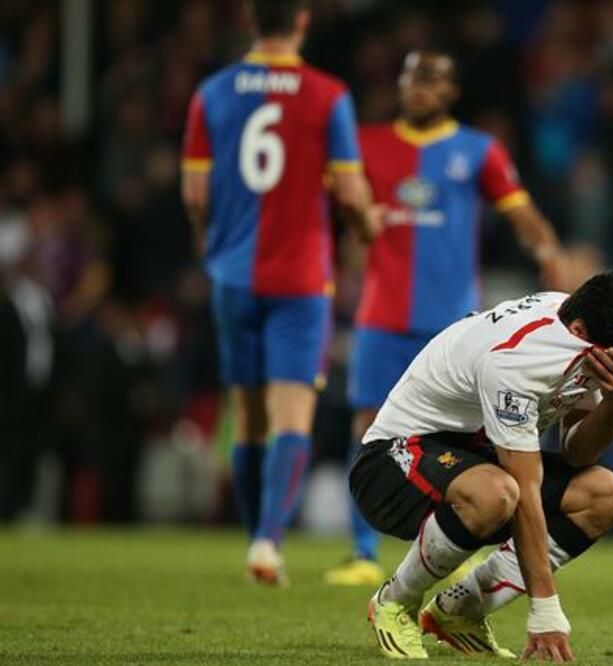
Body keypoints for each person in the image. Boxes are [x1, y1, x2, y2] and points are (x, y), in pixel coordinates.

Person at [325, 49, 567, 586]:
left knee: (469, 434)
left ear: (452, 91)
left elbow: (522, 216)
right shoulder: (367, 143)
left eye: (431, 80)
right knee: (368, 426)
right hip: (381, 313)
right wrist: (355, 232)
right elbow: (342, 212)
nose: (419, 88)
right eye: (411, 78)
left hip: (454, 325)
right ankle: (362, 551)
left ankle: (468, 536)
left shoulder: (478, 151)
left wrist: (549, 258)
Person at [349, 271, 613, 661]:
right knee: (498, 492)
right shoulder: (518, 360)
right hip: (389, 467)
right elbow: (524, 487)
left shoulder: (576, 324)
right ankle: (395, 600)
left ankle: (460, 610)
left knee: (605, 495)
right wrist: (545, 611)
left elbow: (578, 454)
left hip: (478, 460)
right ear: (580, 331)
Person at [180, 0, 378, 585]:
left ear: (249, 20)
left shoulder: (211, 93)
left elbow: (194, 194)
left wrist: (213, 240)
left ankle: (255, 539)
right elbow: (349, 191)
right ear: (302, 21)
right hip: (300, 279)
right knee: (293, 413)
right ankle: (268, 540)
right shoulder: (327, 95)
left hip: (233, 275)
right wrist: (367, 225)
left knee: (247, 417)